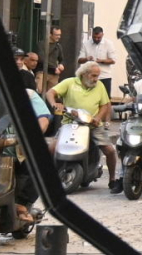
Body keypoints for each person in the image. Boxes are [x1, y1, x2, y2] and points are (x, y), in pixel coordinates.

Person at [51, 62, 119, 190]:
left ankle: (112, 179)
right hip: (70, 123)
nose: (96, 79)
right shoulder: (69, 82)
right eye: (93, 76)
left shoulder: (99, 86)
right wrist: (55, 103)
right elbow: (51, 92)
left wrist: (98, 118)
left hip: (92, 125)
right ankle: (47, 177)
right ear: (84, 74)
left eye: (97, 76)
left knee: (109, 151)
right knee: (52, 148)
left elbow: (105, 105)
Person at [83, 25, 117, 94]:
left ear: (102, 35)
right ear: (92, 34)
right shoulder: (86, 43)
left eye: (99, 37)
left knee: (105, 97)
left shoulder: (109, 44)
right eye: (94, 37)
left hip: (104, 76)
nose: (96, 39)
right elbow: (80, 60)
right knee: (90, 97)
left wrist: (102, 61)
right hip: (90, 77)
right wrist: (87, 59)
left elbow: (113, 60)